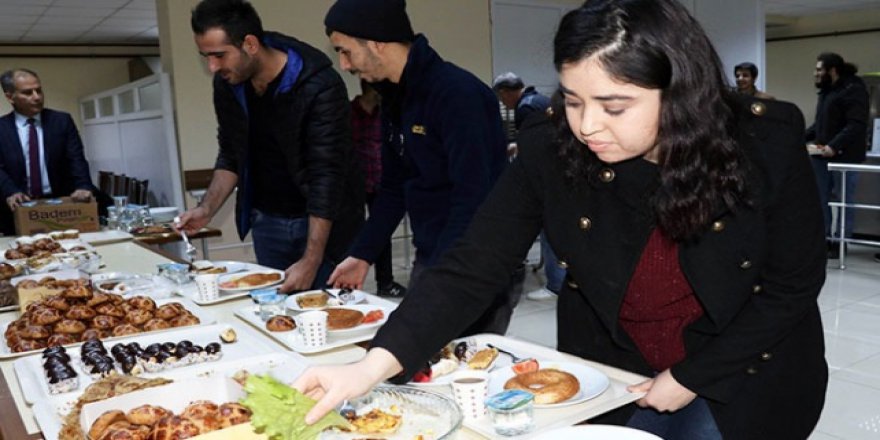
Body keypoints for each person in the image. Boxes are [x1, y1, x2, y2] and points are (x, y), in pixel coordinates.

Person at [295, 1, 828, 439]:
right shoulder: (551, 149)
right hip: (615, 366)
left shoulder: (763, 141)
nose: (587, 126)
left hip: (740, 369)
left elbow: (791, 285)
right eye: (573, 100)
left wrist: (692, 376)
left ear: (679, 93)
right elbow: (472, 265)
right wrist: (370, 367)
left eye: (614, 106)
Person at [323, 0, 514, 334]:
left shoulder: (457, 94)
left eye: (345, 51)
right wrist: (362, 254)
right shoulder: (395, 99)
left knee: (458, 370)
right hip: (434, 257)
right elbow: (395, 188)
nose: (343, 64)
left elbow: (472, 199)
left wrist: (438, 281)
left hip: (474, 263)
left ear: (377, 43)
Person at [178, 0, 364, 292]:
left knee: (328, 318)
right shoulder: (228, 84)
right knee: (276, 318)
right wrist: (206, 209)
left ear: (250, 44)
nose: (213, 67)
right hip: (267, 222)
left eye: (218, 55)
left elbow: (325, 177)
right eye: (206, 57)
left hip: (322, 227)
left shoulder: (319, 85)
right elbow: (231, 152)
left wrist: (311, 259)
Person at [0, 68, 98, 236]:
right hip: (18, 207)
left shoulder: (61, 121)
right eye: (27, 93)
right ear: (10, 97)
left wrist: (82, 185)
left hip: (61, 205)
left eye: (38, 90)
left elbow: (75, 157)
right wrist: (10, 191)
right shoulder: (1, 128)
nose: (36, 97)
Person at [805, 52, 869, 259]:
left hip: (845, 158)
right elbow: (820, 125)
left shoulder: (854, 90)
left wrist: (834, 146)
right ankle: (824, 241)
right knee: (820, 200)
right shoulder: (826, 92)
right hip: (821, 156)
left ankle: (841, 242)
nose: (815, 73)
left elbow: (856, 124)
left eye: (819, 69)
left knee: (844, 202)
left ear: (832, 71)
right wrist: (799, 137)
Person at [350, 79, 406, 297]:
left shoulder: (386, 113)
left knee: (382, 232)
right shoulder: (349, 112)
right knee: (352, 233)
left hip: (381, 181)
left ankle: (385, 282)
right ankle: (349, 282)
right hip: (355, 183)